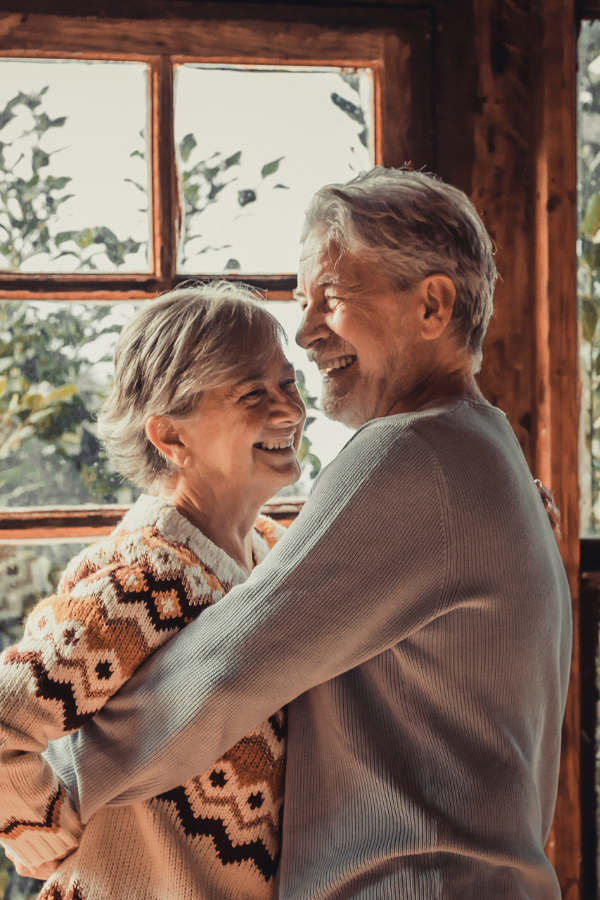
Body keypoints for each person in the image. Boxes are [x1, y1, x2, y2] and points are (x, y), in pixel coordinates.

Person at [44, 168, 571, 897]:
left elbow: (231, 663)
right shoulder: (481, 452)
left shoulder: (412, 454)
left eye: (331, 297)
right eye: (303, 299)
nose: (305, 331)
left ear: (433, 304)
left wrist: (53, 790)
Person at [0, 282, 306, 900]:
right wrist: (31, 821)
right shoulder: (143, 578)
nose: (291, 411)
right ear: (169, 437)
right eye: (253, 393)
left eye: (289, 382)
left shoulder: (273, 551)